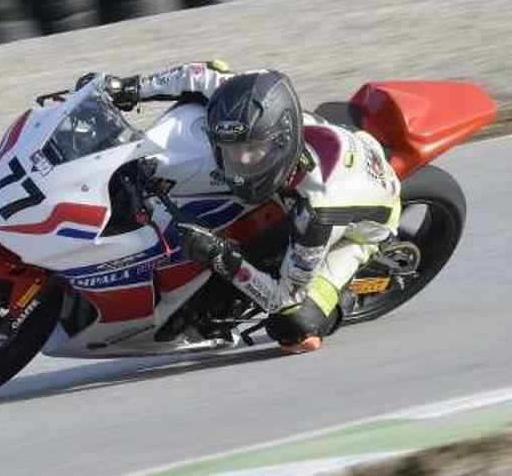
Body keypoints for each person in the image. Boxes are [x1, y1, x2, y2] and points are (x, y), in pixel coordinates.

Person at [96, 61, 402, 353]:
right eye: (230, 151)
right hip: (316, 153)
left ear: (280, 143)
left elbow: (283, 297)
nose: (239, 163)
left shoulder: (316, 213)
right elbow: (199, 75)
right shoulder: (248, 104)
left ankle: (343, 295)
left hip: (356, 231)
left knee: (294, 326)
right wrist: (127, 88)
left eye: (251, 151)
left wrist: (219, 254)